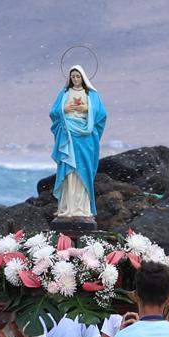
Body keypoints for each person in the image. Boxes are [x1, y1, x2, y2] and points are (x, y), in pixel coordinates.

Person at [49, 66, 107, 221]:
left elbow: (102, 115)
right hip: (68, 135)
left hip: (85, 137)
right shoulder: (64, 94)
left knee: (84, 170)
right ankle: (68, 207)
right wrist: (65, 109)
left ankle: (82, 208)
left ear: (83, 77)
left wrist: (87, 108)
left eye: (78, 76)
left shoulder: (92, 94)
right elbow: (53, 112)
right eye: (72, 76)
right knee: (69, 170)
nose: (75, 79)